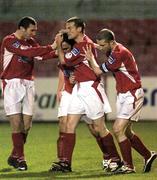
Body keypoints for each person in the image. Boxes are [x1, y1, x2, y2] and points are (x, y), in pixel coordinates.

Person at [49, 17, 122, 173]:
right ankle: (65, 163)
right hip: (79, 88)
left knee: (99, 127)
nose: (68, 30)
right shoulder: (83, 44)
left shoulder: (83, 45)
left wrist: (60, 48)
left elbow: (64, 62)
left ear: (80, 29)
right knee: (69, 124)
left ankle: (116, 159)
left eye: (70, 28)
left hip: (90, 88)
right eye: (67, 28)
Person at [83, 28, 157, 174]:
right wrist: (95, 45)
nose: (102, 48)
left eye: (103, 45)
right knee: (127, 132)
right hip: (123, 94)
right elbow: (102, 46)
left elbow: (97, 71)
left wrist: (90, 58)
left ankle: (129, 166)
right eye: (100, 45)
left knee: (117, 129)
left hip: (132, 94)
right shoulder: (115, 48)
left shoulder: (118, 54)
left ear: (112, 42)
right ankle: (148, 155)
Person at [0, 16, 57, 171]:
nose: (34, 33)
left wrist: (61, 51)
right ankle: (21, 159)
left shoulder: (31, 42)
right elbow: (29, 52)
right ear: (22, 28)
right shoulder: (9, 41)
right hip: (12, 83)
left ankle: (14, 155)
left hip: (28, 84)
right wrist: (51, 46)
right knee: (16, 123)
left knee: (27, 124)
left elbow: (40, 55)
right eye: (32, 30)